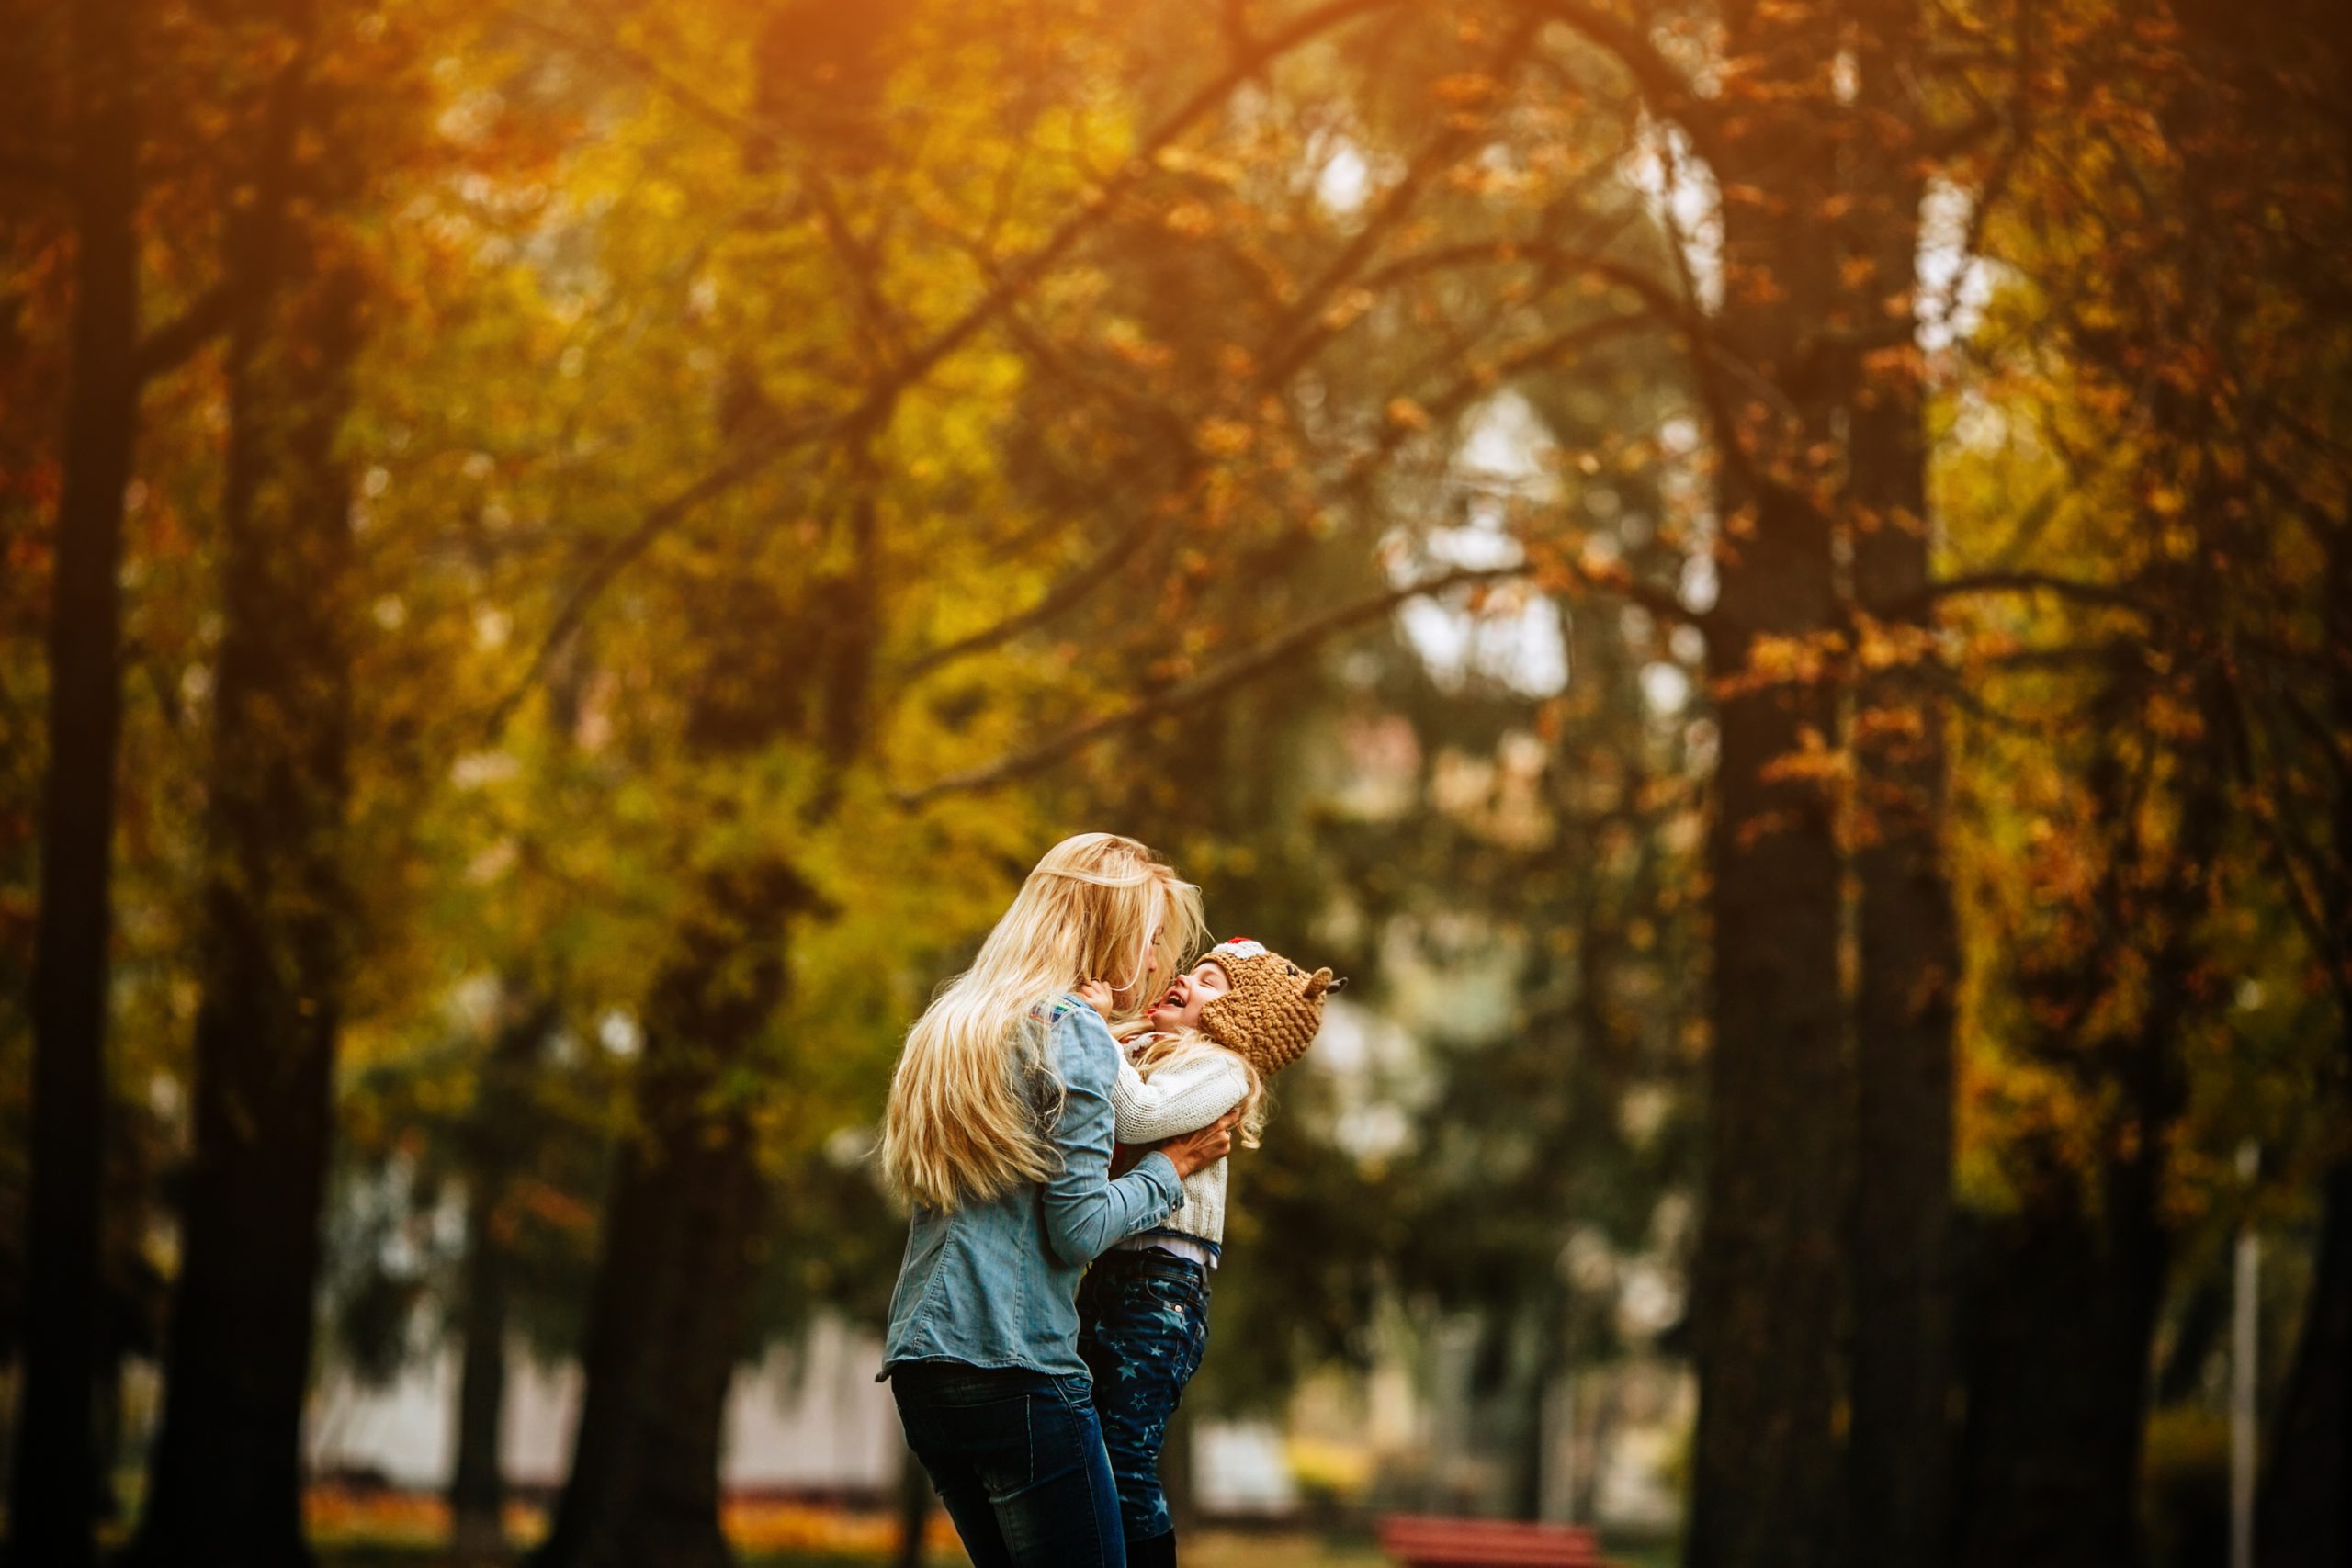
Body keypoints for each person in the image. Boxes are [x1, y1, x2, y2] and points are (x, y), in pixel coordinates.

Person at [877, 832, 1239, 1568]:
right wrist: (1173, 1166)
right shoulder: (1074, 1032)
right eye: (1147, 938)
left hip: (924, 1369)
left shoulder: (957, 1023)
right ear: (1107, 927)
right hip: (1017, 1369)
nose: (1151, 961)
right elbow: (1078, 1229)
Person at [1074, 937, 1338, 1568]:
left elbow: (1137, 1115)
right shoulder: (1154, 1052)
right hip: (1112, 1271)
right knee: (1083, 1443)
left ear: (1237, 1018)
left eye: (1211, 980)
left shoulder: (1223, 1069)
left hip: (1160, 1290)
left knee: (1124, 1453)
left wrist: (1088, 1030)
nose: (1187, 979)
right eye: (1193, 970)